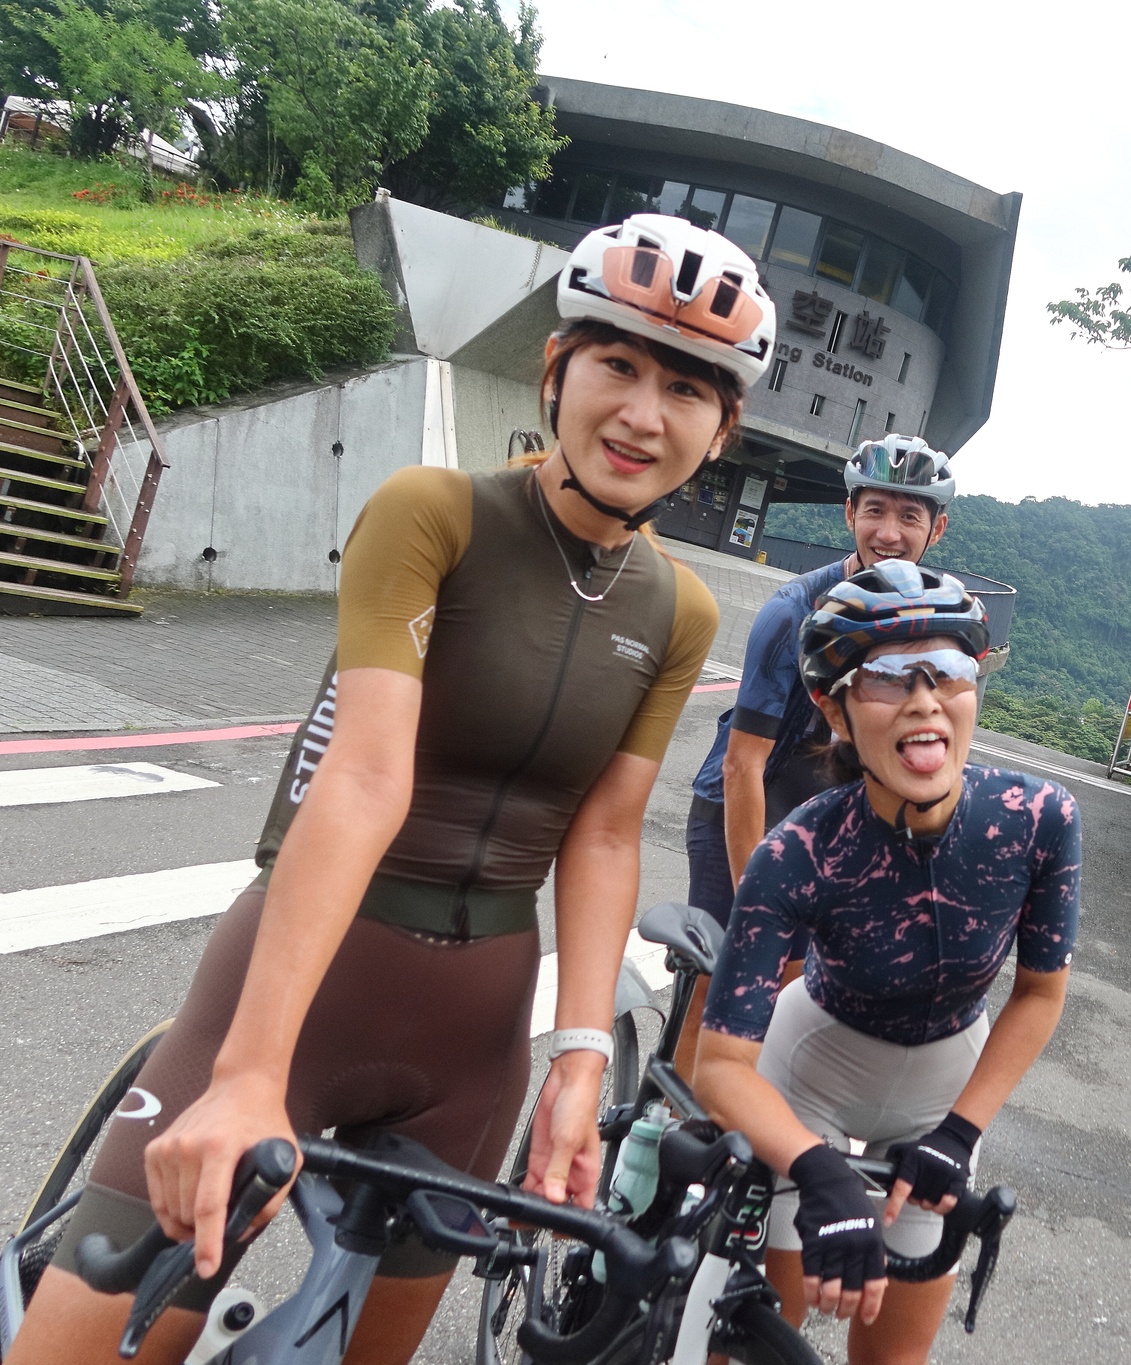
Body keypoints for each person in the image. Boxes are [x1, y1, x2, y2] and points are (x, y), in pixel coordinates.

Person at [9, 213, 773, 1365]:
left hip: (474, 1038)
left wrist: (577, 1060)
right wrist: (249, 1073)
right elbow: (363, 775)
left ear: (721, 433)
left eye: (686, 390)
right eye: (616, 364)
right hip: (305, 984)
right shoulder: (435, 513)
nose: (641, 414)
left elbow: (606, 836)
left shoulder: (680, 611)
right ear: (555, 367)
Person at [693, 559, 1080, 1365]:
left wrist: (961, 1132)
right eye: (888, 678)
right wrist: (815, 1169)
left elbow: (1040, 993)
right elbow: (722, 1066)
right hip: (810, 1070)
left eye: (948, 670)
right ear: (834, 709)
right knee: (756, 1339)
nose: (925, 698)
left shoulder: (1038, 820)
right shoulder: (798, 849)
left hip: (943, 1086)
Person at [674, 436, 956, 1070]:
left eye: (909, 516)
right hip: (742, 811)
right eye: (875, 510)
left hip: (826, 828)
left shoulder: (924, 625)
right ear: (849, 512)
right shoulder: (794, 613)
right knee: (722, 992)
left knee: (800, 1002)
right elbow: (742, 764)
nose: (889, 532)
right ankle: (666, 1122)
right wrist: (755, 897)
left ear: (936, 529)